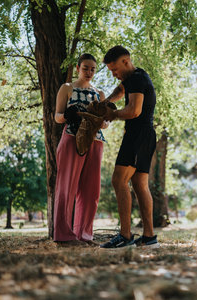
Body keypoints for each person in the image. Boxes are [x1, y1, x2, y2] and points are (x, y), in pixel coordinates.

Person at [99, 45, 159, 248]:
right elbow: (121, 90)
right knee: (140, 185)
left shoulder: (136, 79)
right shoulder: (137, 76)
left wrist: (113, 114)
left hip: (137, 135)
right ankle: (149, 238)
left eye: (115, 69)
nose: (114, 74)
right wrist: (106, 102)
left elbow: (134, 110)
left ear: (126, 61)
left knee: (118, 181)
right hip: (147, 135)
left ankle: (125, 237)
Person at [54, 53, 108, 245]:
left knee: (91, 191)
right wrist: (67, 116)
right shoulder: (67, 88)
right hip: (71, 138)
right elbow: (57, 116)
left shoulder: (99, 93)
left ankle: (84, 235)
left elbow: (106, 123)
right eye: (85, 68)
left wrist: (103, 122)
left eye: (93, 69)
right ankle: (63, 235)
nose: (89, 72)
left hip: (96, 141)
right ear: (77, 68)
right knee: (66, 187)